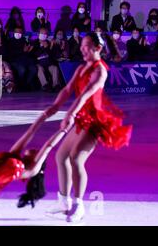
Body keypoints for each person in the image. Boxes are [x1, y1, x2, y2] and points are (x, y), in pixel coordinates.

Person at [45, 32, 132, 222]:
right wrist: (55, 106)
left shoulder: (100, 70)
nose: (83, 49)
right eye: (82, 45)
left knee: (76, 159)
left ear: (98, 48)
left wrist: (69, 113)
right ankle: (63, 201)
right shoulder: (81, 69)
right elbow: (67, 90)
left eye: (87, 46)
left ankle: (79, 206)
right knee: (61, 156)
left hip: (95, 121)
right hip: (81, 118)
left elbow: (85, 94)